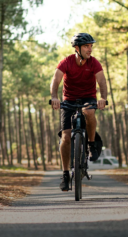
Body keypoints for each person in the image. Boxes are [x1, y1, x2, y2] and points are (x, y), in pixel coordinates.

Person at [50, 33, 108, 191]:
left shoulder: (94, 63)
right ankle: (65, 173)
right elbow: (56, 79)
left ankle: (91, 144)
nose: (90, 49)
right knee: (66, 137)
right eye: (86, 46)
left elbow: (102, 81)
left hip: (88, 97)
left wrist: (102, 98)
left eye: (91, 46)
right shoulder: (67, 61)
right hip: (69, 99)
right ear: (77, 48)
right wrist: (54, 97)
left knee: (89, 112)